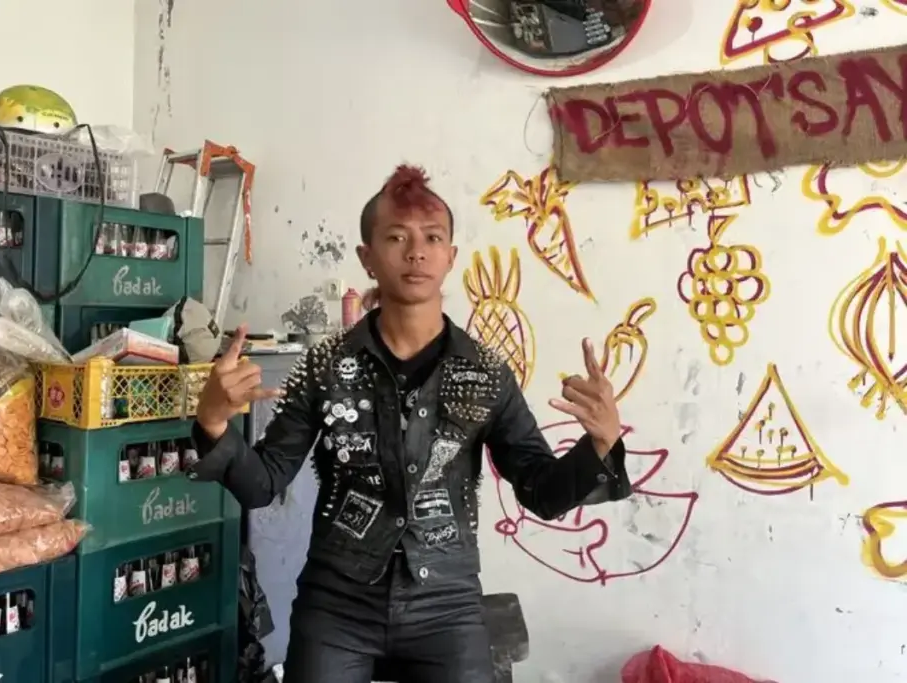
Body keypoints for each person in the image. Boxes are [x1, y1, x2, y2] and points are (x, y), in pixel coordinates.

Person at [190, 164, 633, 683]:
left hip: (447, 606)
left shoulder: (486, 373)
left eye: (432, 238)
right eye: (397, 237)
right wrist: (213, 423)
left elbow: (540, 490)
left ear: (451, 256)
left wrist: (600, 443)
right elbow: (262, 484)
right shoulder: (325, 365)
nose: (416, 252)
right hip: (337, 604)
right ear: (367, 257)